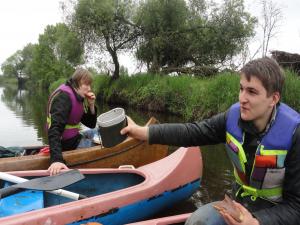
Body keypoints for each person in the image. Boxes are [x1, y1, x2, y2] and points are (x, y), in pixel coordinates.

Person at [121, 57, 300, 225]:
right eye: (241, 88)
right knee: (196, 221)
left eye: (252, 92)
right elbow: (192, 132)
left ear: (273, 98)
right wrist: (142, 132)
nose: (242, 98)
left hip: (274, 214)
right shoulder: (232, 118)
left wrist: (256, 222)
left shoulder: (294, 134)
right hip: (237, 204)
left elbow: (296, 207)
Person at [47, 68, 99, 176]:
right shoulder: (64, 98)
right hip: (67, 145)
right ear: (77, 82)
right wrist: (56, 160)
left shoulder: (77, 96)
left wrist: (91, 105)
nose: (89, 89)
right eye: (87, 85)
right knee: (103, 145)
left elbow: (91, 124)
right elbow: (54, 129)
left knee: (99, 130)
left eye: (90, 85)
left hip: (75, 138)